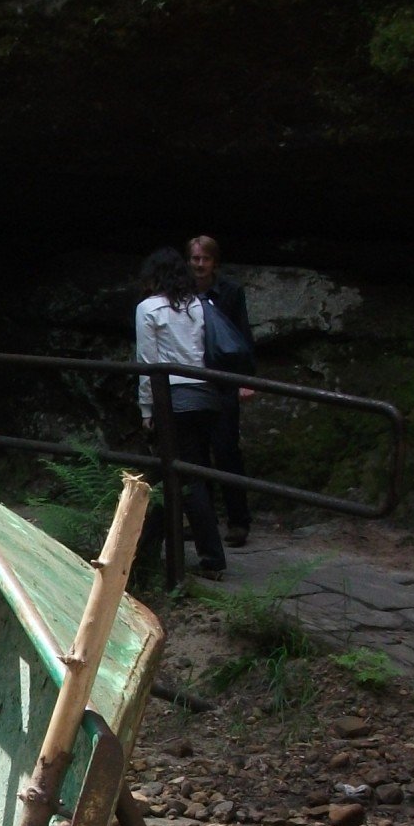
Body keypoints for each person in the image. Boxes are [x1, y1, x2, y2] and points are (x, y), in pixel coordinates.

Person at [134, 246, 226, 578]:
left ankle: (212, 558)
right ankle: (142, 552)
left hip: (172, 399)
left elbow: (149, 364)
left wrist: (147, 409)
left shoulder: (148, 309)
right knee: (170, 474)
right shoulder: (197, 305)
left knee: (187, 480)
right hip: (204, 396)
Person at [189, 234, 254, 547]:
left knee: (227, 450)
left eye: (205, 259)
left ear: (214, 262)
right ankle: (205, 521)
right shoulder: (182, 292)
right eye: (195, 258)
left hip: (224, 379)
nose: (200, 265)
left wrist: (245, 379)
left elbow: (242, 335)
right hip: (194, 378)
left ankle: (239, 521)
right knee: (197, 453)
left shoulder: (230, 292)